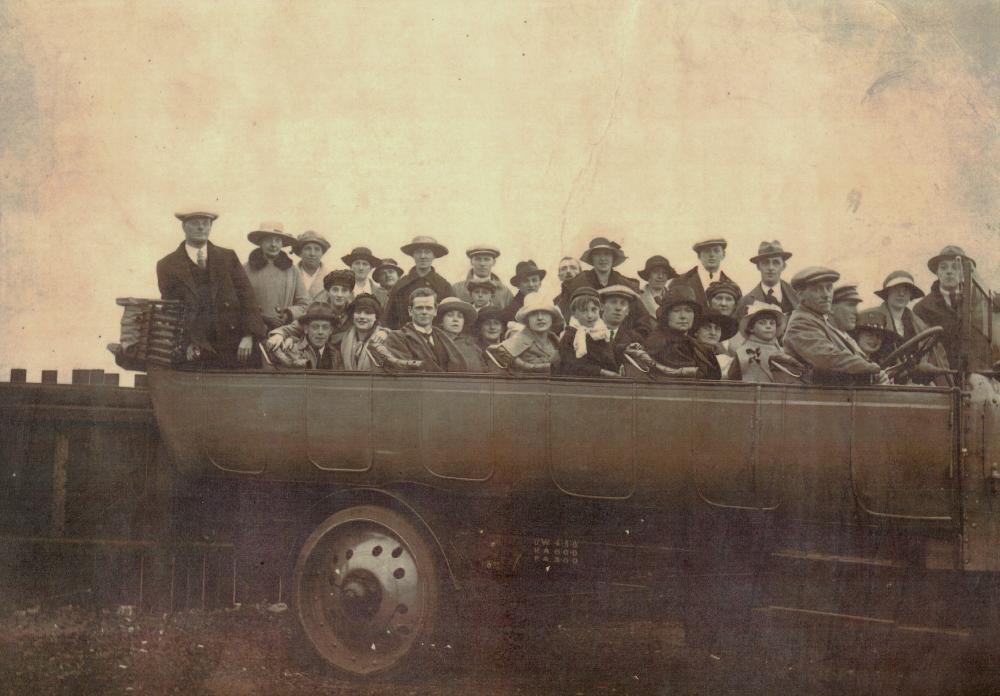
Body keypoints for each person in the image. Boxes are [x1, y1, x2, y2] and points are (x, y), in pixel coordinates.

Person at [156, 209, 266, 367]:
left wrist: (248, 335)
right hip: (194, 346)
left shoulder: (228, 257)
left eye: (205, 224)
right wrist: (184, 344)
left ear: (210, 227)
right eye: (195, 223)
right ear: (184, 227)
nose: (201, 228)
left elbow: (247, 297)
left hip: (232, 344)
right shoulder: (167, 264)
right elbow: (170, 308)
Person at [783, 267, 888, 385]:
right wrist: (873, 369)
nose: (826, 295)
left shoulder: (820, 322)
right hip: (816, 398)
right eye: (817, 289)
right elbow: (829, 358)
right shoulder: (801, 323)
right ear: (801, 295)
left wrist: (876, 374)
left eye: (828, 288)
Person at [867, 270, 952, 384]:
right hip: (881, 386)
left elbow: (938, 360)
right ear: (887, 293)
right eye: (896, 289)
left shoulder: (921, 327)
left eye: (906, 290)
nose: (901, 294)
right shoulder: (870, 320)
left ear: (911, 295)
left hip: (914, 388)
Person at [265, 268, 355, 355]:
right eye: (335, 290)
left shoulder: (354, 313)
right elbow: (295, 327)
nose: (339, 295)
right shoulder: (318, 311)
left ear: (350, 293)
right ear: (328, 292)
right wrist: (280, 335)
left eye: (344, 290)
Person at [914, 245, 974, 372]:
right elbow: (920, 352)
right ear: (937, 272)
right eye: (944, 267)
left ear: (964, 272)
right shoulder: (922, 308)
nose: (949, 271)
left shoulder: (978, 305)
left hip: (973, 376)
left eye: (955, 267)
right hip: (939, 380)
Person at [643, 284, 721, 379]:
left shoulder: (697, 346)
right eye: (676, 311)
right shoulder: (657, 343)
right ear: (666, 316)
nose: (683, 316)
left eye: (688, 311)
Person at [381, 288, 467, 372]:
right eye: (419, 308)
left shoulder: (443, 337)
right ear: (410, 311)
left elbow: (459, 366)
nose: (424, 312)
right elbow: (403, 370)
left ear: (435, 311)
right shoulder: (397, 338)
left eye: (429, 308)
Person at [243, 221, 309, 330]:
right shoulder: (245, 269)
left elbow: (305, 303)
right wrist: (262, 317)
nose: (273, 245)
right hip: (253, 330)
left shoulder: (292, 270)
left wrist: (288, 315)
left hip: (283, 332)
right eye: (269, 240)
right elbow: (238, 302)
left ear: (282, 244)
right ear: (261, 242)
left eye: (277, 241)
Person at [383, 236, 454, 330]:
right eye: (419, 252)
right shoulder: (401, 285)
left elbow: (451, 317)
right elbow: (389, 319)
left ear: (434, 256)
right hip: (404, 339)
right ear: (413, 255)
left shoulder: (443, 286)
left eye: (427, 252)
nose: (423, 256)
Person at [488, 294, 562, 374]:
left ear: (552, 317)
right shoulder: (513, 344)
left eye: (545, 313)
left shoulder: (557, 342)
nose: (540, 318)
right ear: (527, 319)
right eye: (534, 314)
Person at [728, 302, 801, 382]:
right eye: (762, 323)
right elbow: (733, 378)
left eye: (772, 323)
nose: (768, 326)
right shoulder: (743, 352)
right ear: (751, 328)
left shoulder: (783, 351)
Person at [558, 288, 621, 378]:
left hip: (605, 382)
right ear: (574, 313)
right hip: (579, 384)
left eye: (594, 310)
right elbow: (569, 366)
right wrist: (601, 372)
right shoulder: (570, 336)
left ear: (599, 310)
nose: (590, 315)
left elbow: (612, 353)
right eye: (584, 310)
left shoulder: (603, 333)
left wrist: (627, 349)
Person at [268, 302, 343, 370]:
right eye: (315, 327)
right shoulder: (292, 350)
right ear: (306, 329)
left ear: (331, 330)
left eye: (325, 327)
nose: (320, 332)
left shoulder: (335, 355)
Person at [735, 241, 799, 318]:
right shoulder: (745, 302)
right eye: (765, 263)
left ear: (783, 266)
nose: (771, 268)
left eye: (776, 262)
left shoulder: (797, 295)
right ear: (758, 266)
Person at [676, 237, 735, 307]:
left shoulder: (731, 285)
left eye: (716, 251)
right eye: (707, 251)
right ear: (699, 256)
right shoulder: (681, 281)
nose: (712, 255)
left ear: (723, 255)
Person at [452, 244, 514, 310]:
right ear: (471, 262)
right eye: (478, 259)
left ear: (494, 262)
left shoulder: (505, 292)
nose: (482, 264)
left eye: (487, 259)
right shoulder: (457, 289)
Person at [338, 293, 389, 372]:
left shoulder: (385, 339)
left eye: (368, 313)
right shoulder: (343, 339)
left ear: (376, 317)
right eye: (358, 312)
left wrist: (387, 333)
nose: (362, 316)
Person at [435, 297, 486, 372]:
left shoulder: (473, 346)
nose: (455, 319)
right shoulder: (434, 341)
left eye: (460, 316)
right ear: (441, 321)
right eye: (450, 315)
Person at [689, 310, 739, 378]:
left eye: (717, 329)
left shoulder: (727, 361)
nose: (713, 333)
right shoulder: (689, 353)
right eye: (707, 328)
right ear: (696, 332)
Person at [293, 230, 332, 301]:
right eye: (308, 248)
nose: (312, 254)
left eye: (317, 249)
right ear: (300, 252)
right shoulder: (290, 274)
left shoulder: (331, 277)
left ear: (322, 253)